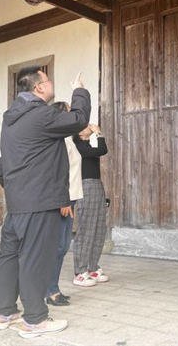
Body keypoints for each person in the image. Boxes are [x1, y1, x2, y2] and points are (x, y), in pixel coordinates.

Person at [0, 68, 90, 338]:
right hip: (38, 201)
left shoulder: (10, 120)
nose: (51, 84)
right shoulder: (41, 114)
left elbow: (1, 169)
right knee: (35, 258)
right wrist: (80, 90)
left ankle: (4, 313)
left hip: (17, 203)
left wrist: (18, 190)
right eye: (48, 81)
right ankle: (34, 320)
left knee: (9, 256)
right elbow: (79, 119)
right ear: (38, 88)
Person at [44, 102, 84, 307]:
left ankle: (53, 288)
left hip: (71, 197)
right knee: (58, 246)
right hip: (64, 199)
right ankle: (50, 291)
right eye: (69, 111)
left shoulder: (68, 139)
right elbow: (58, 172)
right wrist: (63, 200)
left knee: (62, 246)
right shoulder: (59, 141)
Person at [71, 123, 110, 287]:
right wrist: (99, 133)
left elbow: (99, 150)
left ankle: (93, 267)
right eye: (84, 126)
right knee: (86, 228)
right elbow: (102, 149)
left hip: (96, 185)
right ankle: (79, 272)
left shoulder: (87, 145)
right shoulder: (77, 146)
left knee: (99, 228)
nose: (89, 126)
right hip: (85, 186)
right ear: (79, 133)